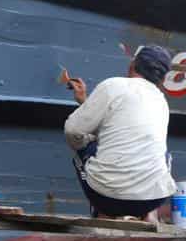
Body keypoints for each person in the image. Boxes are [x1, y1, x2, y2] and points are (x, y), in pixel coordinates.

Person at [64, 46, 178, 219]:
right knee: (162, 155)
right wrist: (86, 103)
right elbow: (123, 130)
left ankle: (102, 214)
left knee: (84, 151)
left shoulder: (112, 85)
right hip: (153, 199)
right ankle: (150, 215)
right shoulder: (161, 101)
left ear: (132, 65)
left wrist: (88, 145)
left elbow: (73, 131)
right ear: (162, 78)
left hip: (106, 198)